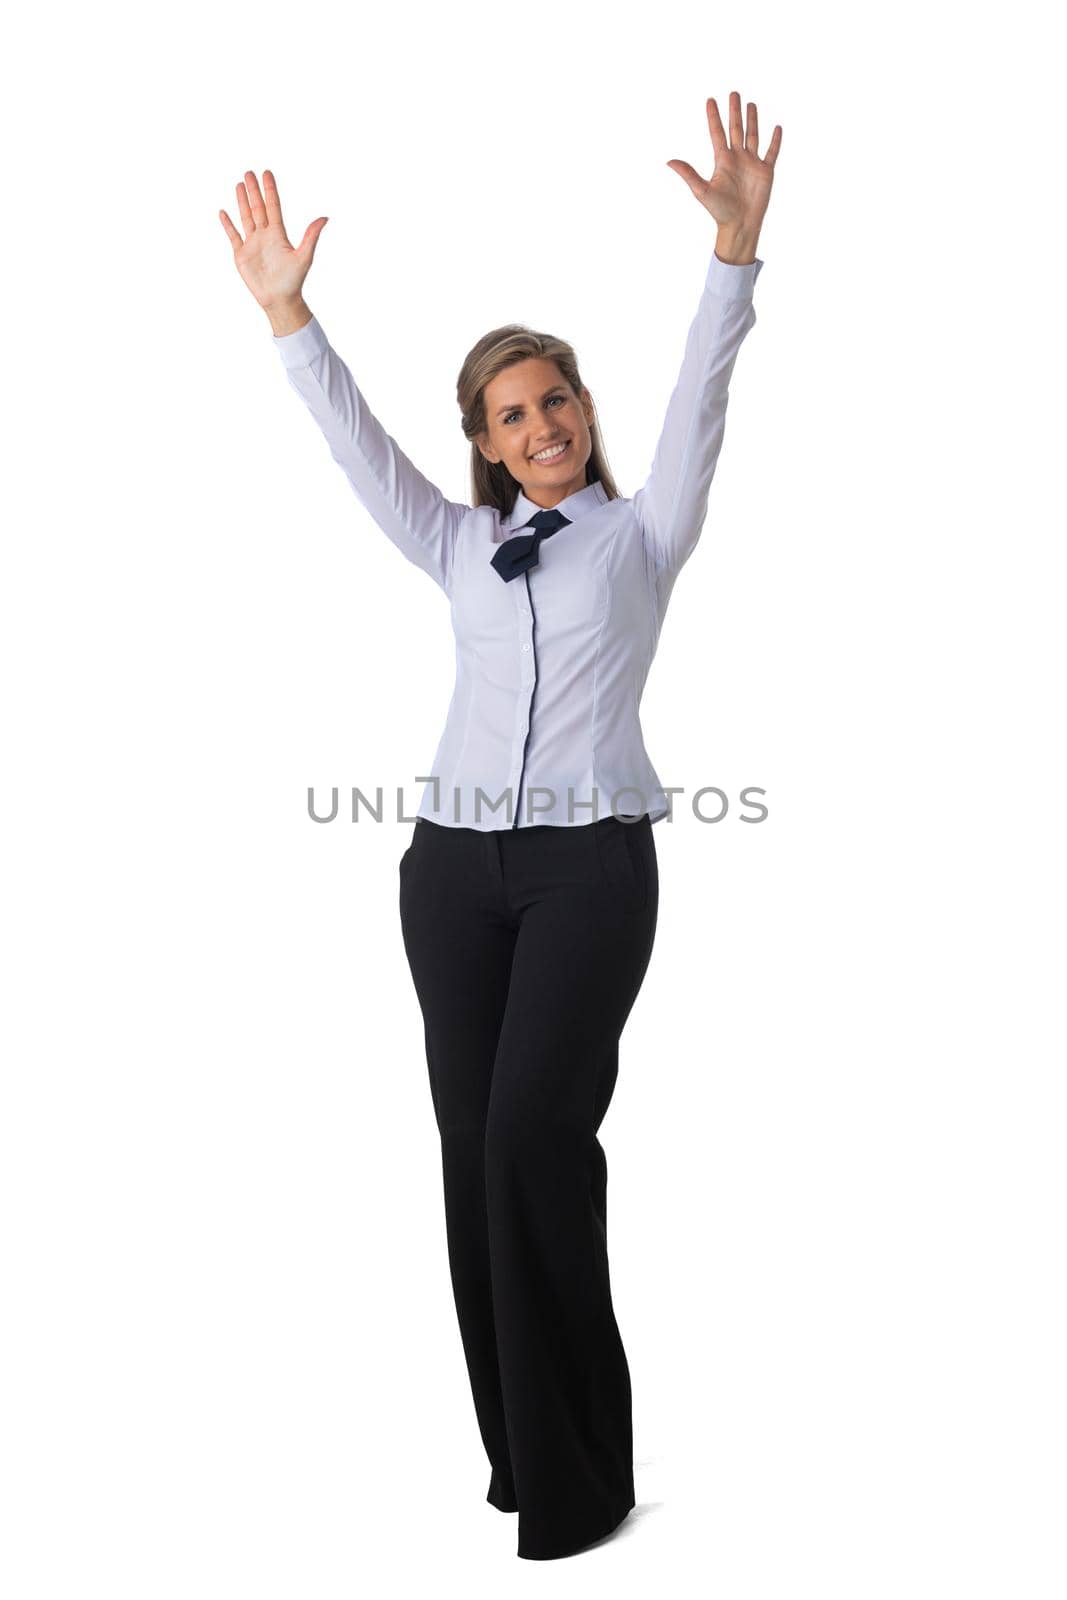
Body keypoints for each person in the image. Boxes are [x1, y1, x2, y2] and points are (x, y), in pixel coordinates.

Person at [220, 90, 781, 1561]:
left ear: (586, 414)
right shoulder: (457, 542)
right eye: (511, 413)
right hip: (449, 877)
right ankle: (522, 1459)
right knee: (473, 1148)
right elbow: (350, 447)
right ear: (480, 438)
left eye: (558, 402)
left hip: (595, 868)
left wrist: (734, 253)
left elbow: (703, 392)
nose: (542, 426)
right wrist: (293, 320)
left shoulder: (643, 533)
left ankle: (586, 1481)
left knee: (540, 1132)